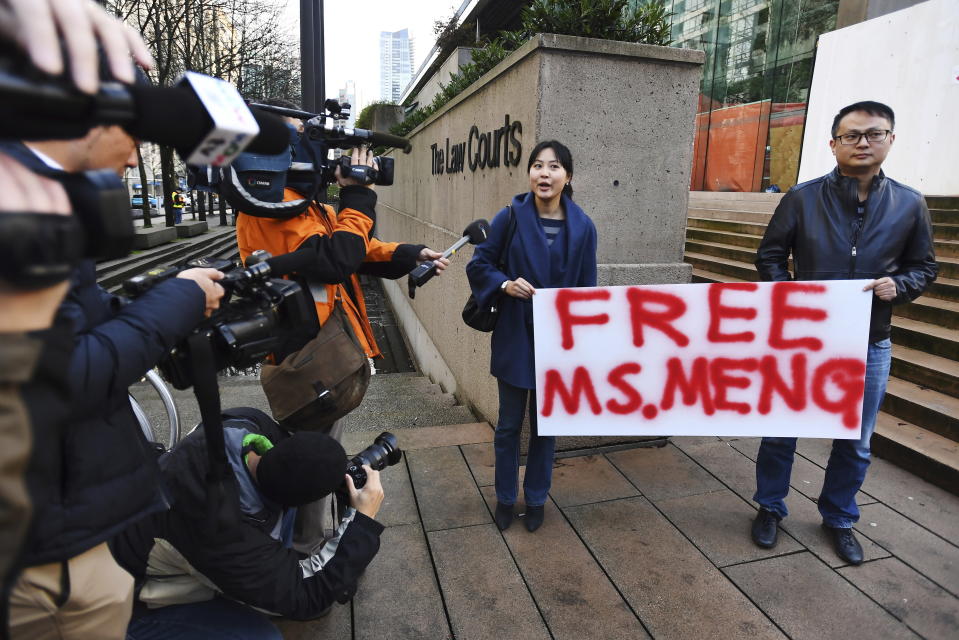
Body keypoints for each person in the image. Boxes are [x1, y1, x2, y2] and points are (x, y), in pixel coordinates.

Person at [0, 125, 226, 639]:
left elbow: (67, 325)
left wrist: (158, 301)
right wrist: (179, 302)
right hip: (40, 549)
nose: (133, 160)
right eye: (138, 130)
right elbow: (60, 376)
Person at [236, 108, 448, 550]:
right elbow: (337, 259)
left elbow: (355, 247)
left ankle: (315, 534)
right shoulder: (271, 208)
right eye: (299, 139)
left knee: (319, 447)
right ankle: (306, 551)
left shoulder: (301, 203)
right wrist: (358, 195)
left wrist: (410, 253)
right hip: (304, 360)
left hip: (320, 353)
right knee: (309, 457)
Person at [751, 101, 937, 564]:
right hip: (803, 340)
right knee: (781, 431)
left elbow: (925, 266)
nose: (862, 143)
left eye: (874, 134)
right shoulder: (801, 197)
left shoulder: (910, 204)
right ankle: (769, 508)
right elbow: (769, 257)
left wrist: (903, 285)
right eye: (851, 136)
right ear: (833, 143)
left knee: (855, 439)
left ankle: (838, 518)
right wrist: (792, 297)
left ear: (890, 140)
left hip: (870, 342)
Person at [112, 407, 385, 639]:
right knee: (262, 636)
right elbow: (307, 598)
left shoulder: (247, 425)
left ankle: (262, 579)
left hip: (140, 517)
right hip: (123, 597)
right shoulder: (227, 535)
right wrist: (360, 520)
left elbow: (295, 464)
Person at [466, 140, 597, 533]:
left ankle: (537, 497)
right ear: (529, 174)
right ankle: (506, 497)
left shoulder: (585, 226)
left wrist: (582, 344)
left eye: (554, 166)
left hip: (558, 341)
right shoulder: (510, 216)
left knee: (546, 426)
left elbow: (588, 291)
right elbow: (480, 264)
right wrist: (504, 285)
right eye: (537, 166)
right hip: (514, 335)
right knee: (508, 425)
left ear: (567, 176)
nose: (544, 173)